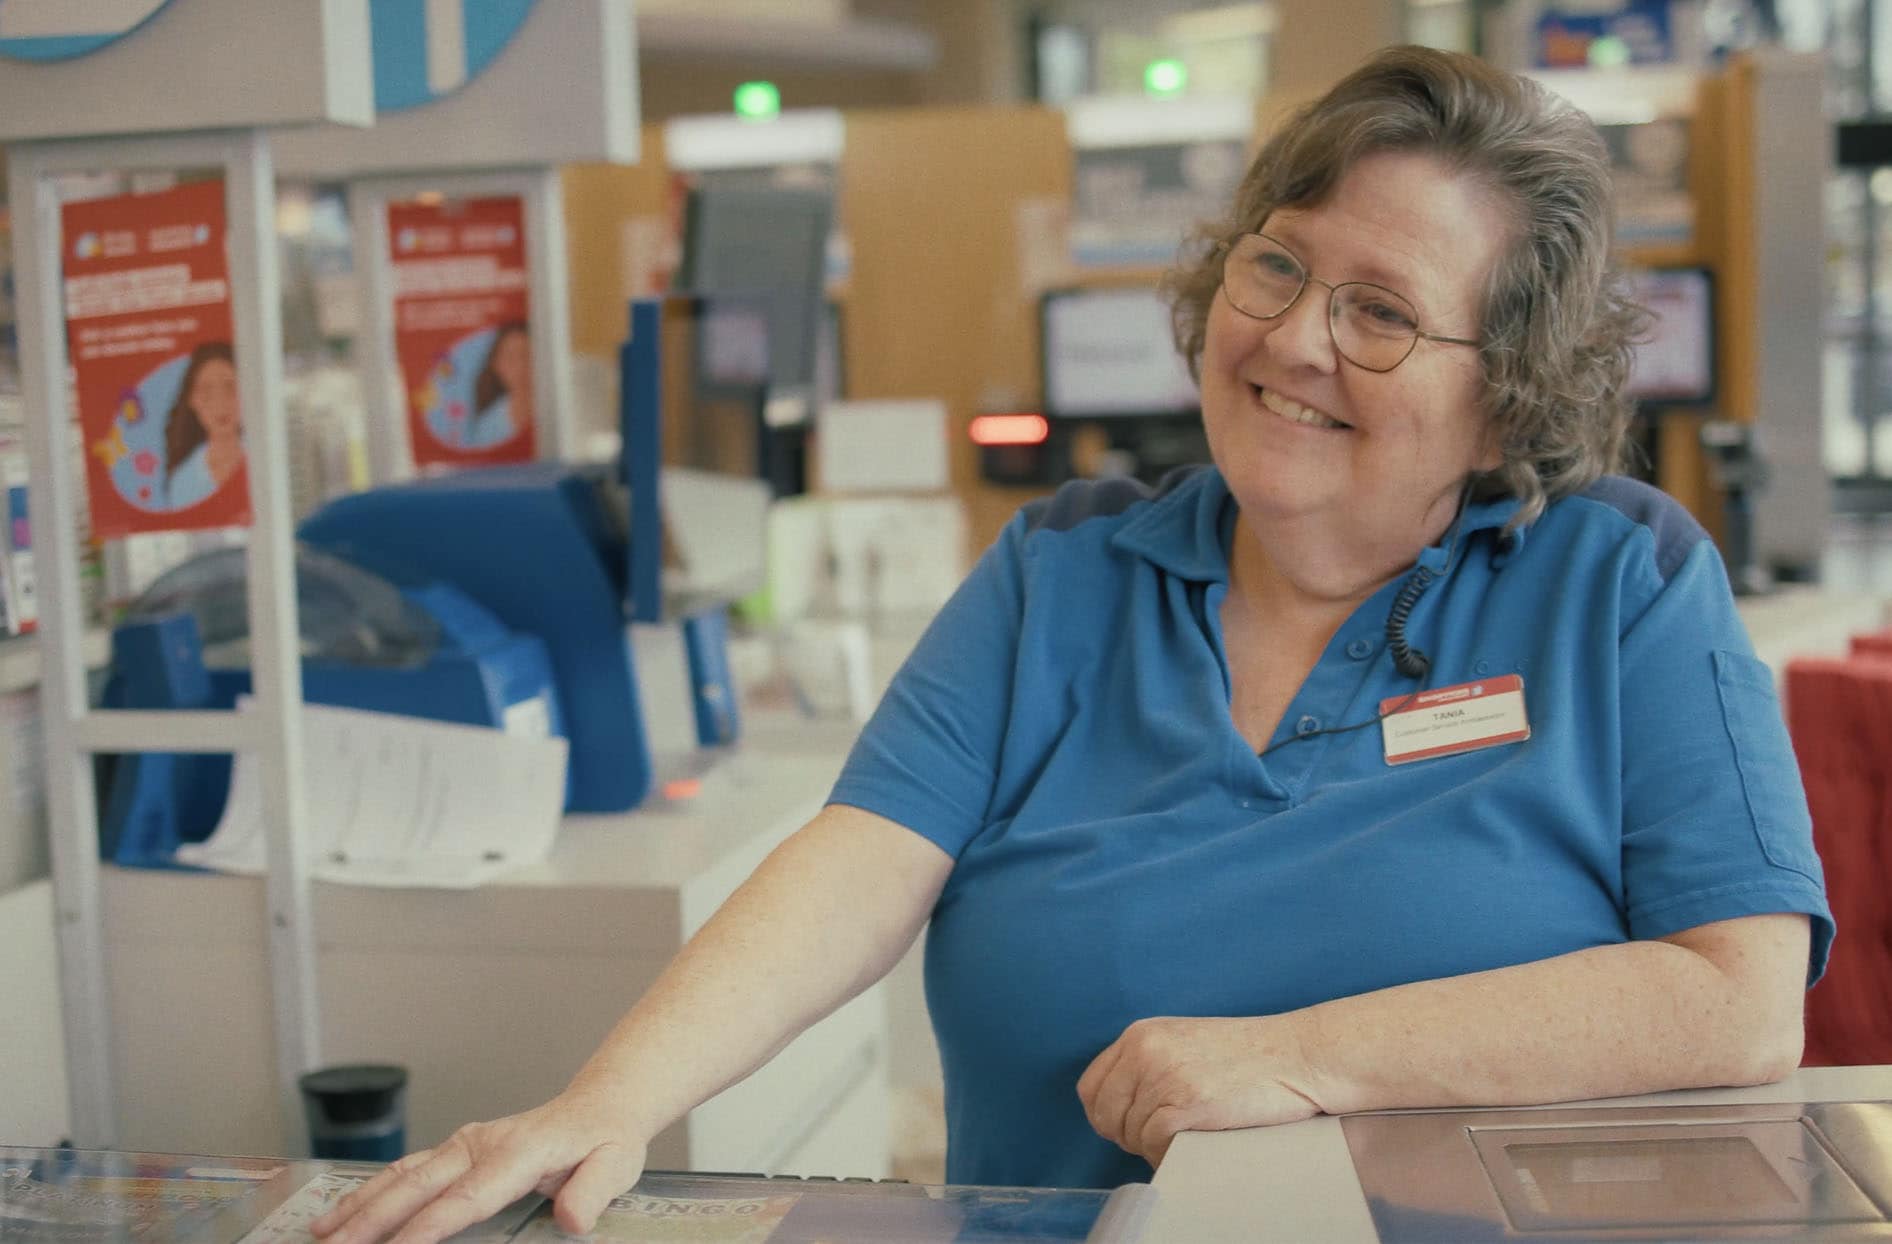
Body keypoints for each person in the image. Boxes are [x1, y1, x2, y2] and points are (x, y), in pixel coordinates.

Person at [313, 45, 1832, 1244]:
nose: (1299, 339)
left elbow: (1737, 997)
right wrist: (606, 1101)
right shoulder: (1063, 570)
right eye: (1280, 266)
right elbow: (863, 854)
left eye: (1382, 314)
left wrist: (1303, 1054)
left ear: (1506, 393)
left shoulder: (1617, 580)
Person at [163, 341, 242, 509]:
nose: (220, 404)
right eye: (207, 393)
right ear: (192, 400)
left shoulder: (264, 456)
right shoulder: (182, 483)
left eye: (230, 388)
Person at [462, 321, 530, 449]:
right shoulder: (488, 428)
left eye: (527, 355)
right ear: (497, 366)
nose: (520, 367)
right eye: (510, 358)